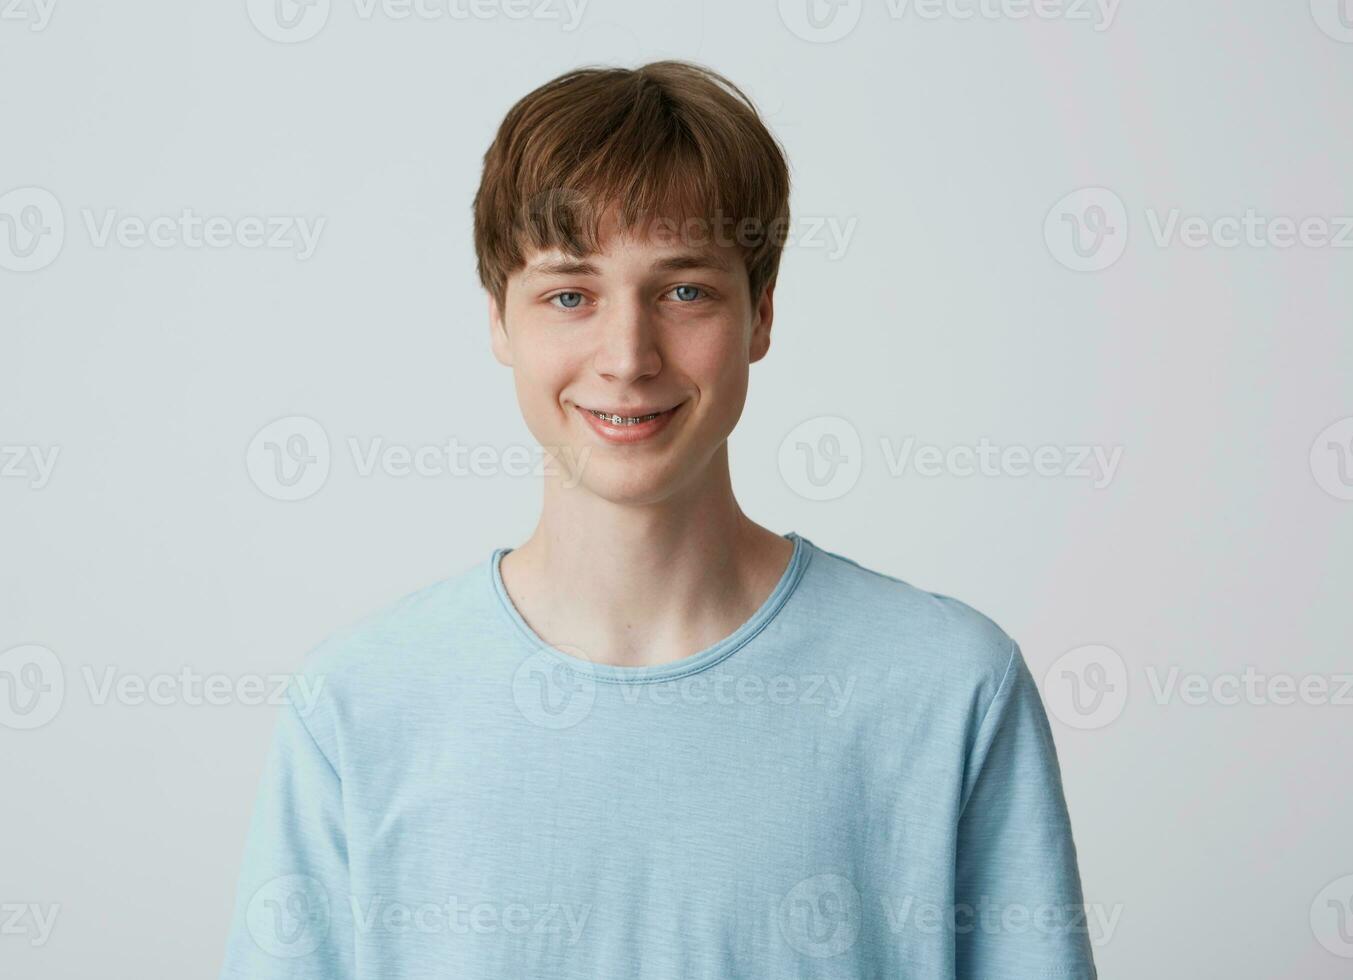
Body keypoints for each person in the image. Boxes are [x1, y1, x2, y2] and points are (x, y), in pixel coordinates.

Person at [217, 60, 1097, 979]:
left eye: (684, 291)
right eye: (570, 294)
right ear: (499, 323)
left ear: (761, 314)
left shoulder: (946, 686)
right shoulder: (360, 705)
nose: (628, 356)